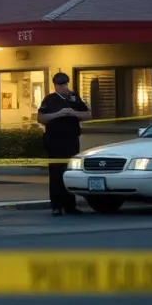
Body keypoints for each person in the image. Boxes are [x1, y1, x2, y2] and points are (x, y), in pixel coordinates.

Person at [36, 71, 91, 216]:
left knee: (69, 172)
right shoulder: (49, 99)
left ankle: (70, 206)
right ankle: (56, 206)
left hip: (71, 140)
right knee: (55, 173)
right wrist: (58, 114)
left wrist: (73, 112)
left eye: (65, 84)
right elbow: (41, 118)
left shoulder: (74, 97)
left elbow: (88, 115)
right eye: (60, 84)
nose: (63, 87)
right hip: (54, 141)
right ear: (55, 85)